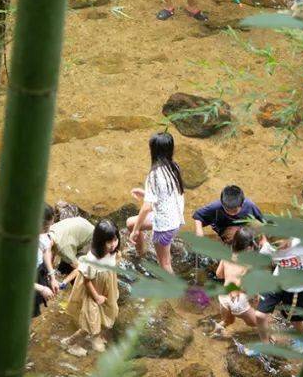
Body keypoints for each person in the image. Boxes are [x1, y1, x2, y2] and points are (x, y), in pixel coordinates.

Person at [127, 132, 185, 273]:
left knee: (164, 264)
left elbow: (146, 208)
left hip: (165, 226)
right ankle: (141, 254)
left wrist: (135, 231)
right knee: (130, 223)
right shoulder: (174, 167)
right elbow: (169, 195)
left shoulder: (154, 175)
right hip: (176, 219)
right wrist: (145, 194)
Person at [63, 219, 121, 356]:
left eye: (115, 240)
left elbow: (112, 269)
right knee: (89, 323)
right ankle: (70, 343)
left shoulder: (114, 253)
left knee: (106, 314)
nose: (113, 244)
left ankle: (96, 336)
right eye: (109, 242)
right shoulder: (92, 261)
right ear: (100, 242)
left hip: (106, 290)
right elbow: (87, 281)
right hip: (93, 293)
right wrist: (96, 297)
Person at [258, 234, 303, 352]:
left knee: (295, 320)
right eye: (275, 246)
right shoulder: (268, 248)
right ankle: (265, 346)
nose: (279, 249)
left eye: (281, 245)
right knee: (260, 315)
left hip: (297, 288)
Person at [214, 228, 267, 339]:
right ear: (248, 248)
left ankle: (214, 334)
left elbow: (218, 274)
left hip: (223, 297)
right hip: (238, 301)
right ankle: (272, 342)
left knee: (227, 321)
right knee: (261, 323)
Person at [192, 184, 264, 244]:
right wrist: (199, 233)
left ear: (242, 205)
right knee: (237, 237)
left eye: (235, 210)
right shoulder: (216, 206)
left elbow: (261, 220)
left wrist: (264, 240)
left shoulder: (249, 205)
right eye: (227, 210)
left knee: (257, 226)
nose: (231, 213)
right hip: (226, 227)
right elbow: (198, 215)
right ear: (222, 204)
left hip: (243, 225)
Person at [48, 214, 95, 283]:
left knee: (81, 267)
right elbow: (50, 252)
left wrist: (63, 283)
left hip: (90, 236)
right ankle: (64, 270)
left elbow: (78, 267)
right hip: (80, 224)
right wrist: (50, 272)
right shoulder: (49, 230)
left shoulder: (63, 248)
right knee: (68, 256)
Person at [32, 205, 58, 318]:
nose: (48, 230)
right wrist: (42, 288)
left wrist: (52, 276)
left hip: (37, 270)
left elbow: (46, 250)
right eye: (46, 226)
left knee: (34, 304)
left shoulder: (42, 234)